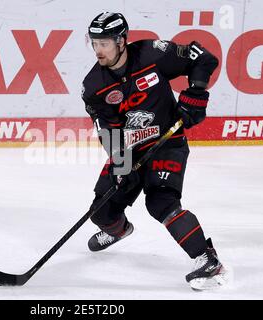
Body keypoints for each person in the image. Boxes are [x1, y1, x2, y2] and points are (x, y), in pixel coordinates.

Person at [82, 12, 226, 290]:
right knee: (100, 212)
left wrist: (195, 95)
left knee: (161, 203)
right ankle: (119, 231)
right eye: (95, 43)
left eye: (105, 43)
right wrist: (122, 166)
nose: (98, 50)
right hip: (131, 149)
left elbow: (203, 57)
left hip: (167, 142)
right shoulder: (94, 86)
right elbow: (107, 131)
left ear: (122, 41)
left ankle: (207, 260)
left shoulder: (152, 53)